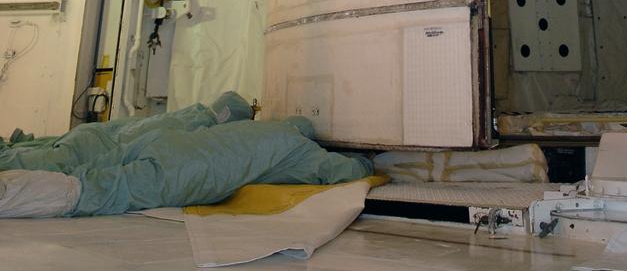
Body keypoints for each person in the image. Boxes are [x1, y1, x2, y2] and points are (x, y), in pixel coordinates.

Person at [0, 92, 372, 217]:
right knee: (96, 191)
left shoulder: (264, 134)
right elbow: (352, 169)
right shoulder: (303, 154)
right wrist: (370, 161)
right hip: (179, 168)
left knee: (96, 171)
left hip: (162, 143)